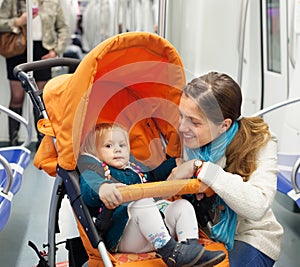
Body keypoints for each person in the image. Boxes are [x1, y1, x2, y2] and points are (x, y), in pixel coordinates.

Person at [169, 71, 284, 266]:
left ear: (224, 125)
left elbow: (257, 206)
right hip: (201, 227)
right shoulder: (187, 137)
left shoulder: (260, 142)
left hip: (249, 234)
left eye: (194, 122)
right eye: (181, 116)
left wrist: (202, 168)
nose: (182, 127)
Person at [78, 122, 226, 267]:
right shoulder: (97, 171)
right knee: (142, 203)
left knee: (182, 205)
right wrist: (103, 188)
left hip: (154, 232)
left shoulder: (134, 170)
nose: (117, 150)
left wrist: (174, 163)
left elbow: (154, 175)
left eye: (122, 145)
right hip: (123, 236)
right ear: (95, 152)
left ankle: (191, 249)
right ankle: (172, 254)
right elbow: (88, 189)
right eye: (109, 146)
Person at [0, 0, 69, 147]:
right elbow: (1, 22)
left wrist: (56, 50)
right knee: (17, 97)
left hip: (43, 50)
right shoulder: (12, 1)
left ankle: (43, 142)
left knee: (40, 99)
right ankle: (13, 143)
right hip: (18, 48)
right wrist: (19, 21)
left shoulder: (53, 2)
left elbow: (63, 28)